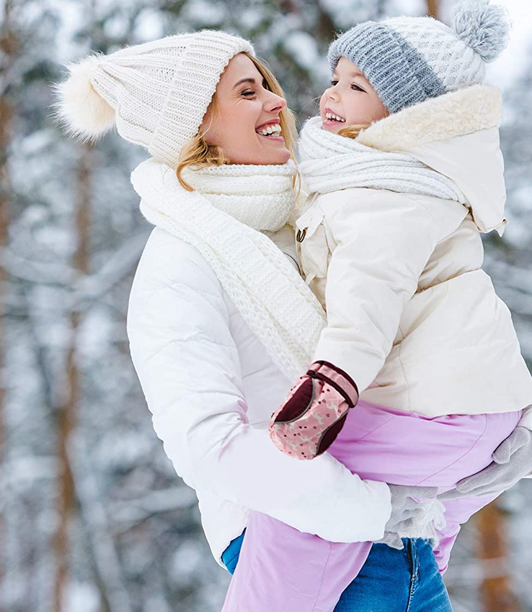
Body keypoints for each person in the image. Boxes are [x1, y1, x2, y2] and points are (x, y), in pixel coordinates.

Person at [54, 29, 458, 611]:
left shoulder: (314, 216)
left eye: (267, 84)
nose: (277, 101)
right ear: (196, 125)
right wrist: (367, 508)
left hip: (403, 536)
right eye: (248, 92)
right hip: (302, 539)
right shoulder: (181, 262)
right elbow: (207, 444)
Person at [224, 2, 532, 610]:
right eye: (335, 79)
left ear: (406, 113)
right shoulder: (399, 178)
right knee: (412, 524)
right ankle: (421, 571)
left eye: (358, 86)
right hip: (471, 411)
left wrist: (328, 390)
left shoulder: (386, 192)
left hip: (441, 413)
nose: (332, 95)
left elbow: (366, 302)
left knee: (292, 487)